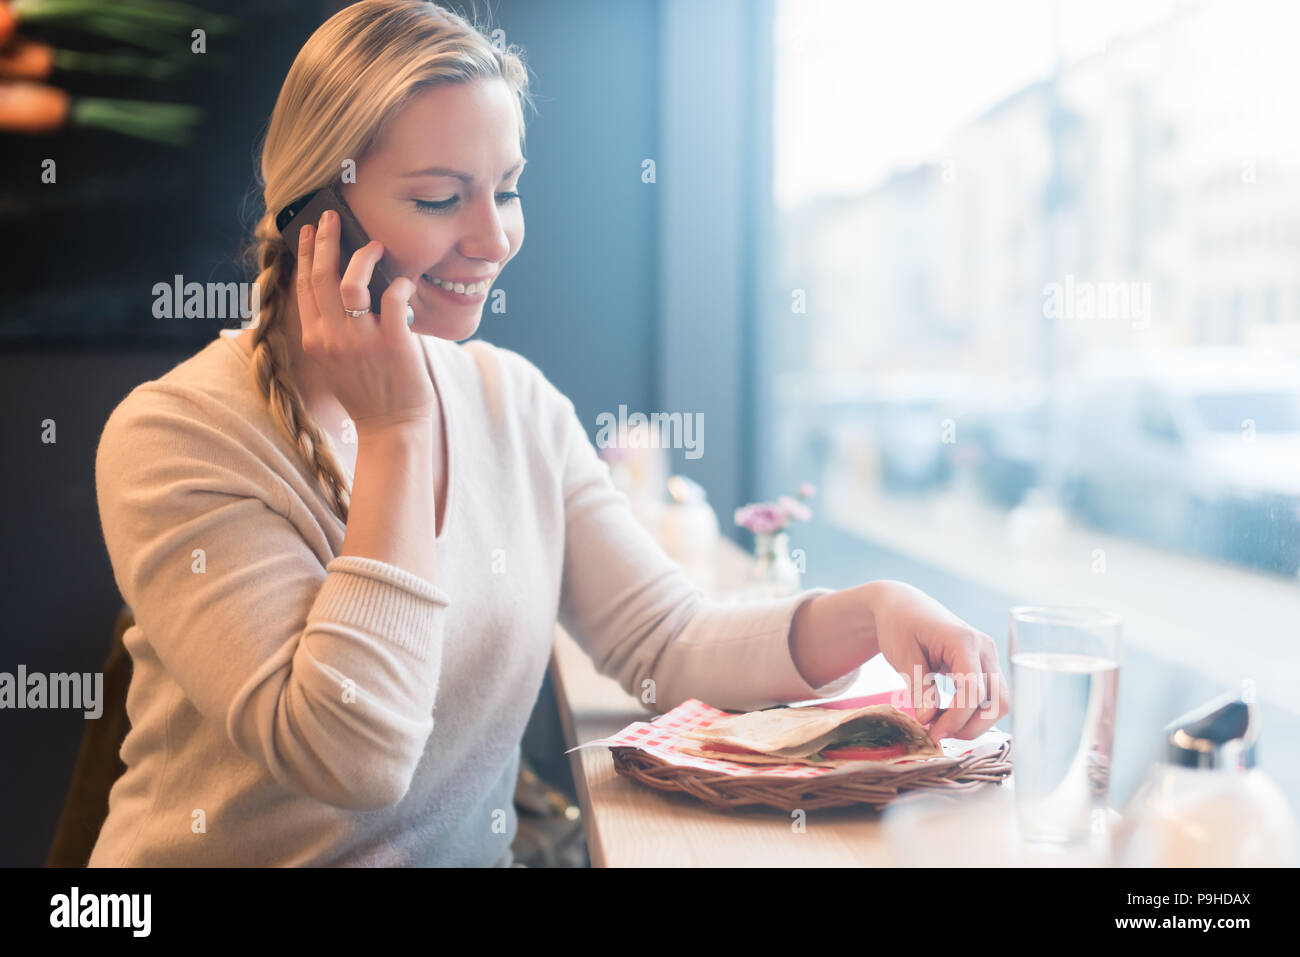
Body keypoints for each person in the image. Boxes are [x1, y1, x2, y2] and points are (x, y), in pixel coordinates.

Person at [90, 0, 1008, 867]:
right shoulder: (177, 438)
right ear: (318, 221)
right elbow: (353, 757)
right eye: (442, 198)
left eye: (508, 189)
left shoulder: (513, 403)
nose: (495, 239)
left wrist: (874, 610)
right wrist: (401, 433)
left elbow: (666, 640)